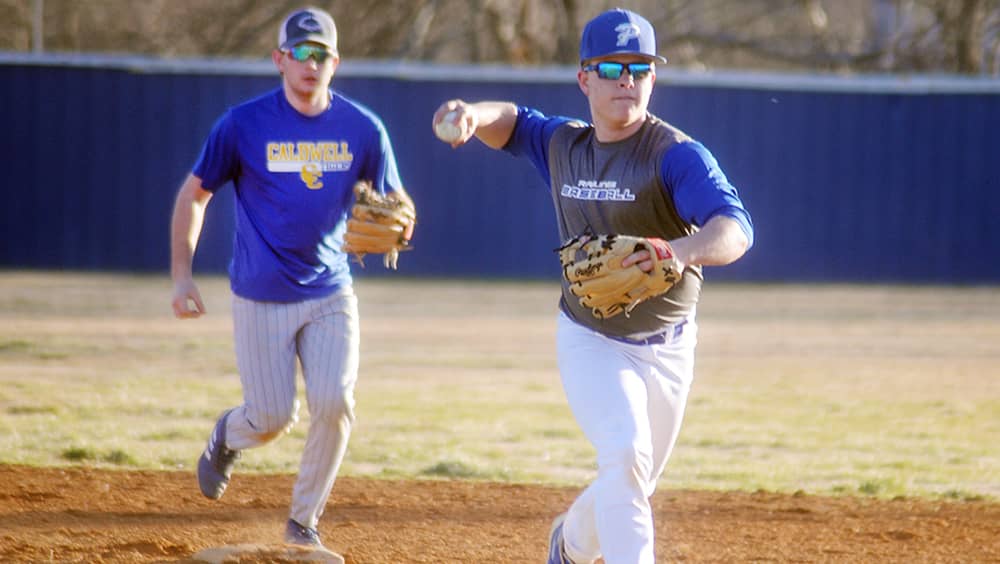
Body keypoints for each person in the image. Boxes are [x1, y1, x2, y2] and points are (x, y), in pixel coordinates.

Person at [432, 8, 753, 564]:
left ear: (653, 77)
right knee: (626, 454)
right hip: (591, 338)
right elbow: (513, 121)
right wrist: (472, 114)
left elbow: (736, 229)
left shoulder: (675, 155)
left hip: (670, 345)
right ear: (584, 78)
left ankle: (570, 545)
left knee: (634, 475)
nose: (626, 79)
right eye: (610, 67)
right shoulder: (565, 145)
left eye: (639, 68)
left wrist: (679, 252)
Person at [170, 6, 413, 551]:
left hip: (330, 291)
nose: (310, 63)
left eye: (320, 54)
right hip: (260, 294)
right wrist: (182, 276)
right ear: (279, 59)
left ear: (335, 62)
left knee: (335, 402)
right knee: (270, 417)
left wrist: (402, 221)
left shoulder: (363, 128)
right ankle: (226, 435)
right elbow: (195, 195)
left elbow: (396, 200)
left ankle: (303, 522)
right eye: (300, 52)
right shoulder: (242, 125)